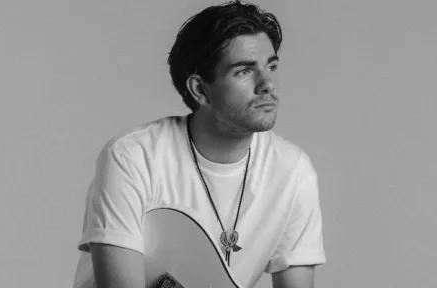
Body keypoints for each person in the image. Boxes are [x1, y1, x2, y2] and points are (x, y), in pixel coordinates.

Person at [73, 1, 326, 287]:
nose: (268, 83)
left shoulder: (293, 171)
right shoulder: (133, 157)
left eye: (271, 66)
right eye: (244, 71)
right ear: (200, 89)